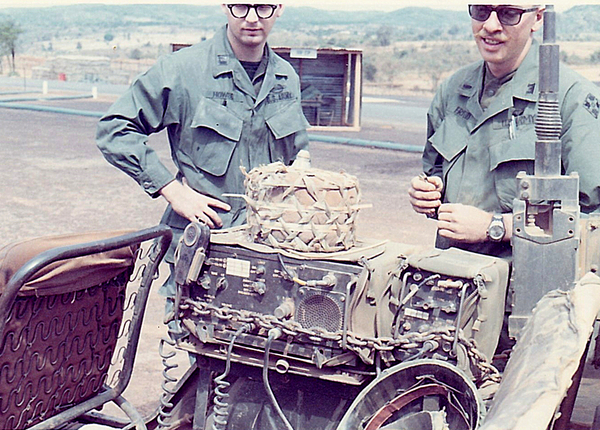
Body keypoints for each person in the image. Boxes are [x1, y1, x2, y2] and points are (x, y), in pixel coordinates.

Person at [96, 3, 309, 309]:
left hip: (271, 256)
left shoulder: (286, 78)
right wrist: (173, 191)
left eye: (263, 7)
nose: (251, 18)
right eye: (240, 6)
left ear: (280, 9)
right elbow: (114, 130)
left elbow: (299, 159)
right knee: (205, 353)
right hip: (205, 256)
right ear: (224, 6)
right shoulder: (182, 70)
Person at [408, 4, 600, 259]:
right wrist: (429, 195)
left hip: (531, 286)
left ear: (538, 18)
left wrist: (496, 227)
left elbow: (592, 220)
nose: (490, 26)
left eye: (509, 14)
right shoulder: (454, 90)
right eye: (481, 10)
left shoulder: (570, 98)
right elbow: (434, 170)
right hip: (452, 277)